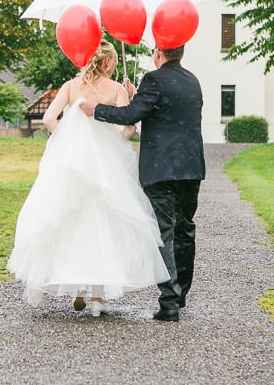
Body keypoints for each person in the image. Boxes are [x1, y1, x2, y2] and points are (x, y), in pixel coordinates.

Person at [7, 43, 169, 317]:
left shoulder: (71, 86)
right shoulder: (116, 88)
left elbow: (48, 118)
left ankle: (78, 288)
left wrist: (67, 142)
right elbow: (129, 127)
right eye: (114, 63)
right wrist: (113, 143)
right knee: (103, 225)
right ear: (108, 63)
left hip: (72, 164)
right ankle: (96, 298)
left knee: (72, 222)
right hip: (105, 166)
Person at [81, 44, 205, 322]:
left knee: (164, 233)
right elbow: (165, 110)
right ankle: (181, 294)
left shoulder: (154, 79)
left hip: (161, 169)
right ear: (182, 53)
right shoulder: (192, 81)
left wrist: (96, 109)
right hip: (192, 166)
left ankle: (169, 303)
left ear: (159, 53)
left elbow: (129, 116)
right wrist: (137, 96)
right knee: (185, 228)